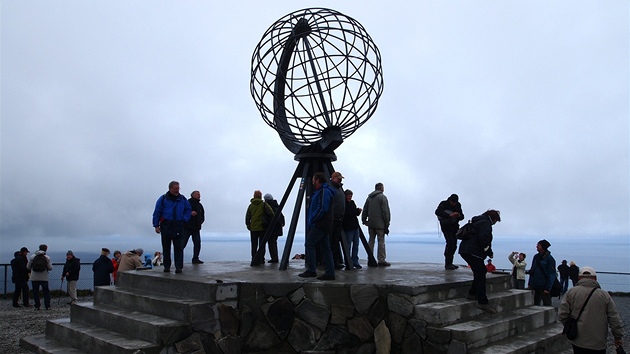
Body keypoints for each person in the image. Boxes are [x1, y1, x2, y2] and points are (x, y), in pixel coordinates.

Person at [558, 266, 624, 353]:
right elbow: (614, 318)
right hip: (598, 340)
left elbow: (562, 314)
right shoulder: (604, 295)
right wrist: (618, 336)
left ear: (579, 278)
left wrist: (570, 326)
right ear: (595, 278)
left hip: (578, 339)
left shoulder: (571, 292)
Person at [458, 209, 501, 314]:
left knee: (480, 271)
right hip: (473, 251)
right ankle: (482, 302)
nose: (495, 223)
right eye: (495, 221)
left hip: (465, 250)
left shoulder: (477, 221)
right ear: (494, 219)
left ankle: (472, 293)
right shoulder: (486, 223)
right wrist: (489, 252)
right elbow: (484, 238)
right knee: (481, 273)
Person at [299, 172, 336, 280]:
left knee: (309, 244)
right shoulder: (321, 191)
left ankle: (312, 270)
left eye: (314, 179)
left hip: (321, 223)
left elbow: (322, 208)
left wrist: (313, 219)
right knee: (325, 248)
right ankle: (330, 272)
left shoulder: (324, 191)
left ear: (318, 180)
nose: (312, 181)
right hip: (323, 223)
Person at [153, 181, 192, 274]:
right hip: (166, 225)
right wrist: (156, 225)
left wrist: (184, 220)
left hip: (179, 225)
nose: (177, 190)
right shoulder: (163, 199)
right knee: (166, 248)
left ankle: (179, 267)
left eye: (178, 188)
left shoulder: (183, 199)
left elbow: (188, 210)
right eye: (175, 188)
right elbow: (157, 212)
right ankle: (167, 266)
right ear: (170, 188)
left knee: (179, 247)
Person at [362, 182, 391, 267]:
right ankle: (381, 260)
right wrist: (387, 223)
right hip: (380, 224)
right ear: (381, 188)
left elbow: (365, 209)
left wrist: (364, 220)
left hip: (371, 223)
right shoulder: (383, 197)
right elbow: (385, 212)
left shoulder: (369, 198)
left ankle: (370, 259)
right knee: (381, 242)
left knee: (371, 241)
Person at [435, 194, 464, 270]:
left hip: (454, 226)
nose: (454, 204)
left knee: (454, 245)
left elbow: (462, 216)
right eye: (453, 202)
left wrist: (458, 215)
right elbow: (437, 212)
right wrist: (449, 215)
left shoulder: (458, 205)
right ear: (450, 200)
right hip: (446, 226)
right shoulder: (443, 203)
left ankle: (450, 263)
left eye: (455, 203)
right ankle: (447, 263)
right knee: (450, 243)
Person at [245, 190, 274, 265]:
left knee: (254, 245)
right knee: (262, 245)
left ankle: (254, 259)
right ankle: (261, 259)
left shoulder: (251, 206)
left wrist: (249, 226)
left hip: (253, 228)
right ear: (261, 196)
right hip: (263, 228)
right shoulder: (264, 205)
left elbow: (248, 217)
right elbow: (271, 213)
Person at [527, 239, 557, 306]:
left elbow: (552, 274)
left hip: (544, 286)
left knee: (547, 304)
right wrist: (530, 283)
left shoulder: (550, 259)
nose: (536, 246)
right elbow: (532, 270)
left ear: (543, 247)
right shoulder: (536, 257)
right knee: (534, 304)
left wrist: (548, 288)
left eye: (539, 245)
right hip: (535, 284)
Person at [328, 171, 346, 269]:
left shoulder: (339, 189)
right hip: (332, 219)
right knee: (330, 242)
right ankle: (330, 262)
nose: (340, 180)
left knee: (335, 242)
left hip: (339, 219)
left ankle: (334, 262)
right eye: (339, 178)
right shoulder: (331, 188)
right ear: (333, 178)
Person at [27, 244, 53, 310]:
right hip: (44, 277)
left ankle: (37, 306)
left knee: (35, 292)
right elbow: (50, 268)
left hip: (34, 277)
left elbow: (28, 267)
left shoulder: (32, 257)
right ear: (46, 249)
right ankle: (47, 306)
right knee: (46, 292)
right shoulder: (47, 257)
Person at [342, 189, 362, 269]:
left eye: (351, 196)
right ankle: (348, 260)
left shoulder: (352, 203)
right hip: (349, 226)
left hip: (354, 226)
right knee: (348, 244)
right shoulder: (344, 204)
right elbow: (347, 213)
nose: (350, 197)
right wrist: (356, 211)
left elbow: (353, 213)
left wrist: (357, 212)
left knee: (356, 244)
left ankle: (354, 260)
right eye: (349, 196)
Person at [184, 190, 205, 264]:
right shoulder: (187, 203)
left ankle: (195, 258)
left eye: (199, 194)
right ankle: (179, 258)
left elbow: (202, 214)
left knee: (197, 243)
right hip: (187, 227)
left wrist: (201, 221)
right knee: (183, 243)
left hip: (196, 228)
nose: (199, 195)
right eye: (197, 194)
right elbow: (182, 212)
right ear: (193, 195)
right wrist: (190, 213)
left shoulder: (199, 205)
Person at [263, 193, 285, 263]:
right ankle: (275, 257)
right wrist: (282, 224)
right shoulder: (276, 206)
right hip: (278, 228)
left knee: (271, 243)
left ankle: (274, 258)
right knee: (274, 243)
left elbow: (271, 217)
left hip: (272, 228)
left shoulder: (268, 207)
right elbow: (282, 216)